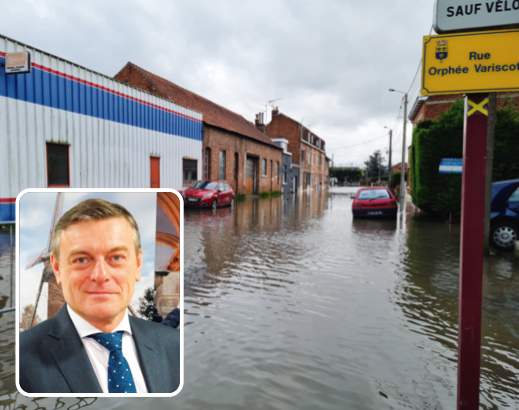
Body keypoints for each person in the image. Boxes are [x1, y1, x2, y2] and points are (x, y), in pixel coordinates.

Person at [19, 198, 180, 394]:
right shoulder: (21, 358)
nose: (101, 275)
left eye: (116, 257)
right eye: (81, 259)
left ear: (137, 265)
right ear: (57, 268)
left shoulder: (175, 346)